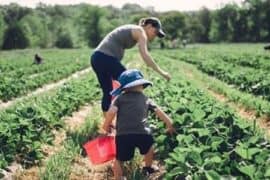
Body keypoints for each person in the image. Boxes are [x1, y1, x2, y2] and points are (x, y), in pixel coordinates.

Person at [102, 69, 175, 180]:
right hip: (143, 133)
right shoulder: (146, 99)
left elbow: (111, 112)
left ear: (124, 88)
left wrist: (106, 125)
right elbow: (159, 111)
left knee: (119, 159)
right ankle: (148, 167)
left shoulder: (119, 99)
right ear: (141, 85)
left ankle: (119, 177)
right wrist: (170, 124)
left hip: (123, 135)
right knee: (149, 148)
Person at [90, 17, 171, 116]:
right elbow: (145, 56)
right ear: (149, 26)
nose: (155, 36)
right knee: (133, 84)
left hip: (96, 58)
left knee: (108, 91)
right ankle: (138, 116)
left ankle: (107, 124)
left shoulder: (135, 29)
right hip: (106, 58)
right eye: (155, 32)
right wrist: (162, 73)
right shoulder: (140, 31)